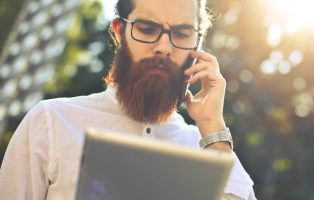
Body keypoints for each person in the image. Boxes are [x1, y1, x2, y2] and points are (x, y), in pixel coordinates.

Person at [0, 0, 257, 199]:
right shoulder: (51, 122)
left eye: (181, 34)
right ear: (119, 32)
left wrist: (213, 126)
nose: (164, 47)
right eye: (147, 29)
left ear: (198, 43)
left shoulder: (203, 147)